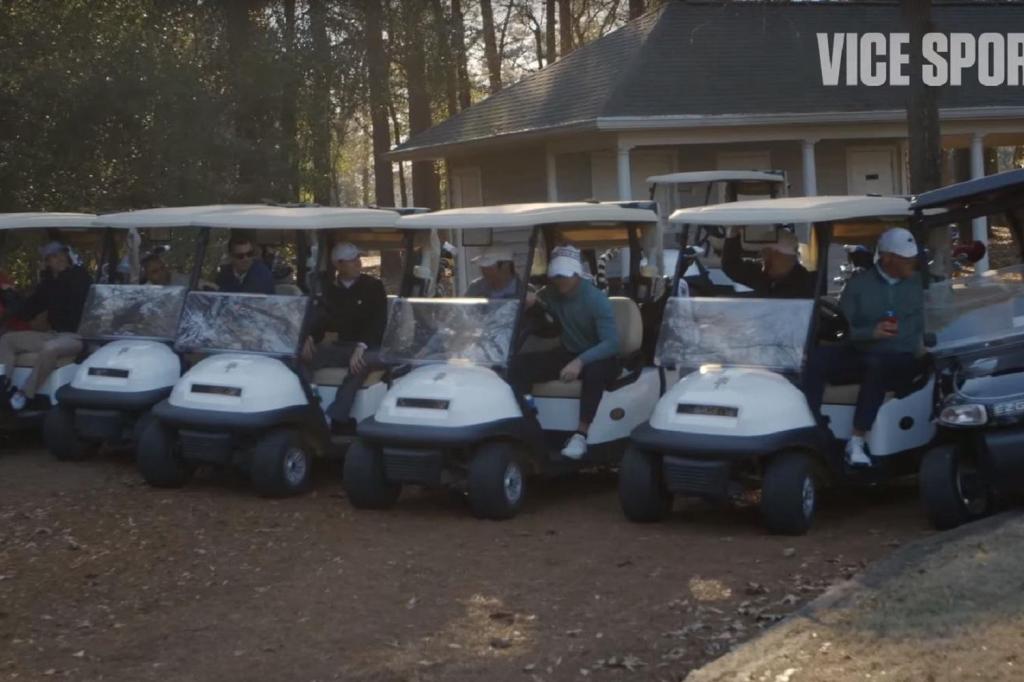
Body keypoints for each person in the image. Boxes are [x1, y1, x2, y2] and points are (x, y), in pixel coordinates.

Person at [804, 227, 924, 466]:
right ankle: (812, 426)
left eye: (913, 259)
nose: (912, 263)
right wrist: (871, 334)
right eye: (906, 259)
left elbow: (917, 330)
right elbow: (843, 330)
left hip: (901, 358)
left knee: (877, 365)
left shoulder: (917, 283)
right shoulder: (859, 285)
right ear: (888, 258)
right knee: (816, 359)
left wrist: (882, 339)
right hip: (863, 352)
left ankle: (857, 441)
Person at [508, 245, 620, 460]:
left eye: (565, 275)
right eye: (556, 275)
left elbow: (611, 343)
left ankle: (580, 435)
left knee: (594, 372)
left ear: (577, 274)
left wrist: (580, 361)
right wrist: (530, 302)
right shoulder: (551, 293)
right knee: (518, 366)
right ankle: (528, 419)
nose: (560, 280)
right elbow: (540, 303)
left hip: (600, 356)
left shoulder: (596, 300)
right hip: (570, 352)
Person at [0, 242, 92, 411]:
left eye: (61, 254)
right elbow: (28, 309)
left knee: (51, 348)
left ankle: (25, 393)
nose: (59, 259)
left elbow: (73, 295)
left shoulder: (80, 276)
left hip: (76, 336)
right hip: (53, 334)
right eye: (53, 257)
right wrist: (9, 295)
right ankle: (3, 383)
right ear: (47, 262)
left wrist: (55, 279)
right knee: (7, 339)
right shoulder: (48, 283)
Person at [303, 242, 388, 425]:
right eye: (352, 260)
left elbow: (379, 321)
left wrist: (362, 345)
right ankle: (309, 406)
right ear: (339, 264)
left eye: (358, 258)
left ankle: (338, 417)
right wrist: (309, 335)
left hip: (369, 346)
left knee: (359, 363)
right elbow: (321, 319)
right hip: (342, 347)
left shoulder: (373, 286)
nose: (358, 263)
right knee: (302, 357)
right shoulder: (329, 290)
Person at [720, 227, 815, 298]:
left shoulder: (803, 283)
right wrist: (732, 235)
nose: (761, 255)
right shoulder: (764, 275)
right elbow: (731, 266)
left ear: (775, 253)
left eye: (764, 250)